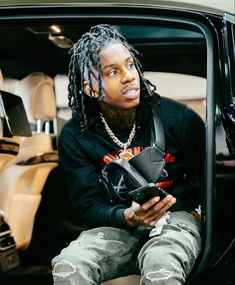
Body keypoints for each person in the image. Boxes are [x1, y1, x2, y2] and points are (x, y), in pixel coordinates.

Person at [52, 24, 205, 285]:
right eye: (113, 72)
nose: (129, 76)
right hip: (117, 226)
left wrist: (197, 215)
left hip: (175, 220)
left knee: (161, 268)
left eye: (130, 65)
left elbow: (209, 182)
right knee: (68, 266)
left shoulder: (179, 119)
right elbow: (87, 206)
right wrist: (127, 217)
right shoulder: (75, 136)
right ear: (91, 89)